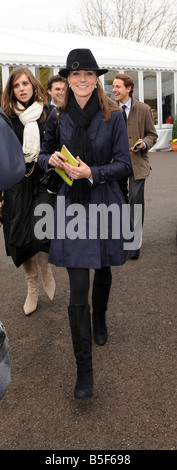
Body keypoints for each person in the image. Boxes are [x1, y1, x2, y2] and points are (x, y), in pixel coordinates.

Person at [38, 49, 136, 399]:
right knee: (78, 289)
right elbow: (42, 155)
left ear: (97, 79)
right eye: (76, 75)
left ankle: (101, 317)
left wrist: (92, 171)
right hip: (71, 209)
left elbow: (124, 164)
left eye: (89, 75)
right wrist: (49, 159)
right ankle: (85, 370)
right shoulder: (55, 117)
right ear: (66, 79)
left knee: (104, 270)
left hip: (104, 201)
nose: (82, 81)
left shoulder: (113, 116)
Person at [1, 66, 56, 316]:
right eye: (16, 85)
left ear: (34, 86)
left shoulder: (49, 114)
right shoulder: (5, 118)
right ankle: (31, 285)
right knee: (20, 238)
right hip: (16, 185)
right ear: (11, 90)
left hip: (43, 181)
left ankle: (45, 268)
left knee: (41, 232)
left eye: (25, 83)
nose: (22, 88)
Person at [112, 73, 158, 258]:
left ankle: (134, 243)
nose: (114, 90)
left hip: (137, 163)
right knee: (119, 201)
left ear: (128, 88)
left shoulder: (144, 109)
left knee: (135, 201)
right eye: (113, 87)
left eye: (117, 87)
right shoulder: (109, 109)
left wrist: (144, 144)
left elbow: (152, 135)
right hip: (115, 165)